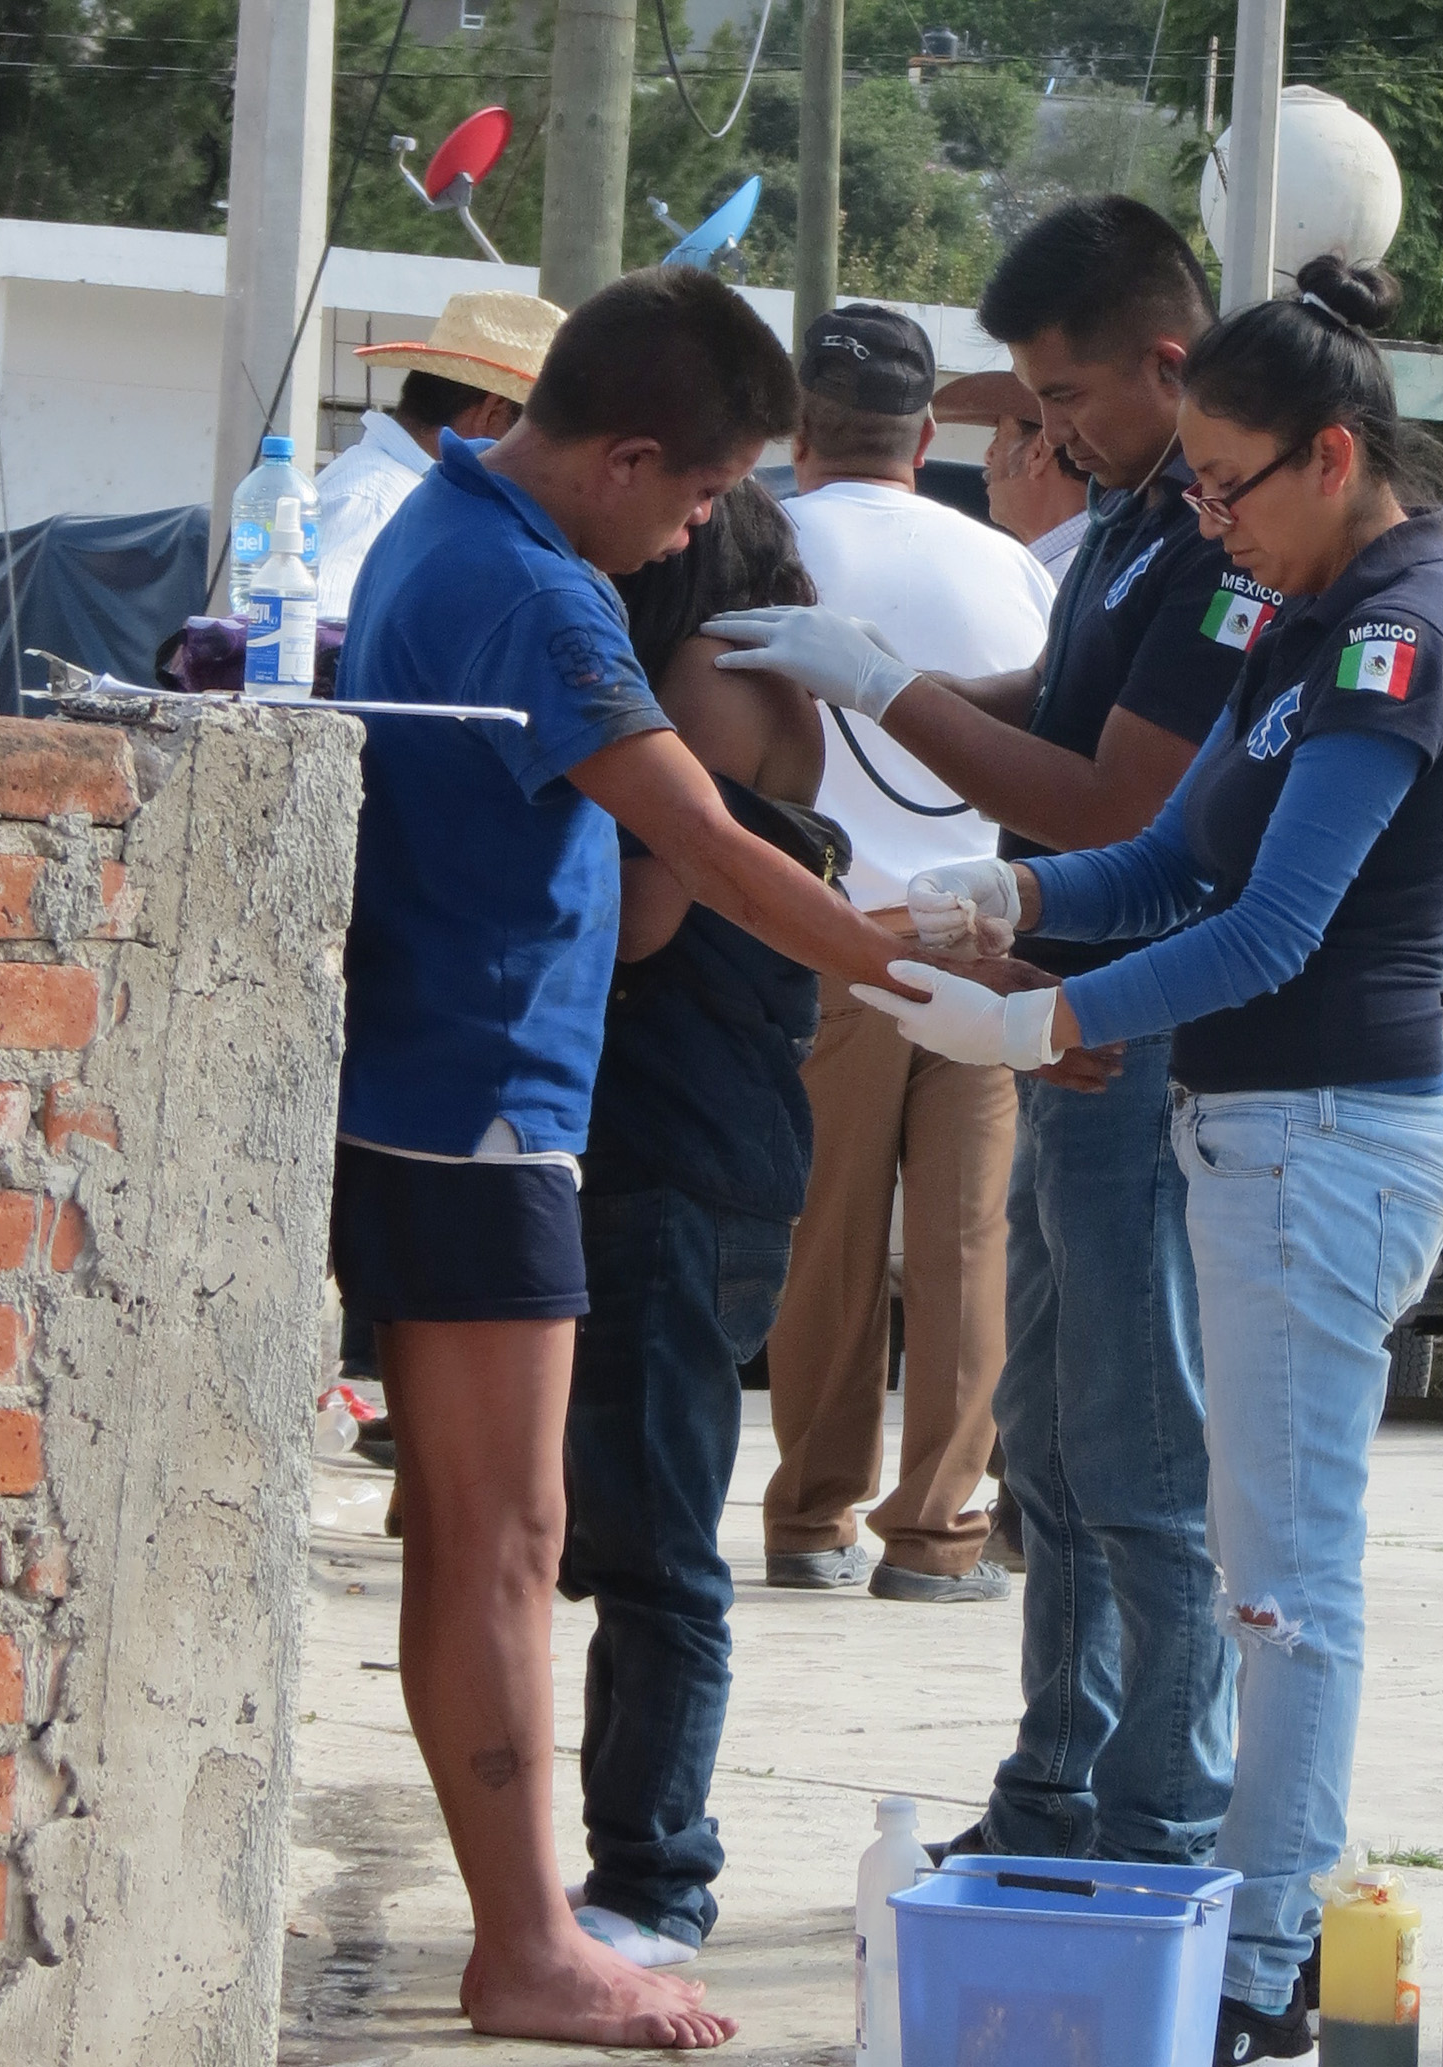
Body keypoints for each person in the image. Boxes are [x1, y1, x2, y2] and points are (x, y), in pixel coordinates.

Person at [850, 252, 1443, 2062]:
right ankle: (1271, 1896)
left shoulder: (1396, 638)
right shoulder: (1294, 625)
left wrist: (1046, 1020)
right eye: (1190, 487)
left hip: (1331, 1135)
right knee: (1249, 1551)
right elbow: (1170, 854)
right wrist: (1014, 897)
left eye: (1226, 482)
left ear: (1337, 454)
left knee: (1287, 1572)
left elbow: (1278, 922)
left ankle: (1264, 1949)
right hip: (1257, 1131)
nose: (1203, 517)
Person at [331, 266, 952, 2050]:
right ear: (622, 454)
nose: (699, 531)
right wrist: (941, 977)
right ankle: (531, 1939)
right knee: (513, 1533)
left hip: (452, 1089)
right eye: (694, 495)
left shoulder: (436, 524)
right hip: (478, 1104)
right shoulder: (543, 599)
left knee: (486, 1530)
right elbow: (714, 849)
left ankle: (527, 1925)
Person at [710, 197, 1268, 1873]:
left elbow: (1120, 794)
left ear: (1170, 366)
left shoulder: (1225, 555)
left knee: (1142, 1448)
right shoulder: (1123, 530)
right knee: (1052, 1425)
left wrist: (888, 694)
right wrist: (907, 696)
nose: (1047, 434)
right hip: (1043, 999)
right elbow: (1056, 724)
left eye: (1067, 401)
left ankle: (1160, 1809)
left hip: (1132, 1017)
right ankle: (1061, 1782)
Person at [558, 481, 839, 1968]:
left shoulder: (708, 682)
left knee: (657, 1551)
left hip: (673, 1166)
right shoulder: (772, 676)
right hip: (719, 1163)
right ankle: (638, 1859)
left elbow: (644, 916)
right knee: (642, 1536)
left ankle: (656, 1872)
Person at [754, 307, 1055, 1603]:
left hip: (824, 936)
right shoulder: (1012, 565)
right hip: (981, 939)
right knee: (967, 1242)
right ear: (929, 433)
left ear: (797, 427)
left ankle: (812, 1517)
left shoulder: (754, 544)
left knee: (822, 1237)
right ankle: (935, 1532)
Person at [323, 291, 566, 615]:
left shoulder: (397, 495)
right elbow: (319, 652)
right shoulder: (375, 503)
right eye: (534, 434)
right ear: (493, 413)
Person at [933, 368, 1094, 577]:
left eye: (999, 436)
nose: (988, 455)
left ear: (1038, 452)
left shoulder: (1064, 578)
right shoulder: (1100, 562)